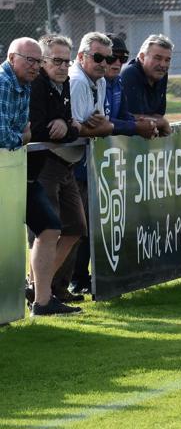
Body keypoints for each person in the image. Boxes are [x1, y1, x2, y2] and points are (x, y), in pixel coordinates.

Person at [2, 37, 78, 316]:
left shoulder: (27, 84)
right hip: (7, 175)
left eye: (37, 61)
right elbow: (8, 134)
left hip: (23, 174)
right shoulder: (4, 83)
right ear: (12, 59)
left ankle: (42, 301)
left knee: (50, 228)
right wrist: (26, 136)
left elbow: (64, 125)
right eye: (30, 60)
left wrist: (55, 127)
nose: (35, 66)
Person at [26, 35, 86, 313]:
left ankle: (37, 287)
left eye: (67, 61)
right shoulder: (36, 86)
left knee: (75, 229)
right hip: (44, 165)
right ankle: (41, 296)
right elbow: (39, 130)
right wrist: (64, 125)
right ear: (43, 62)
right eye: (57, 61)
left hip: (65, 164)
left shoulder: (63, 84)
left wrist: (64, 123)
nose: (63, 67)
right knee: (47, 230)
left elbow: (71, 127)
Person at [63, 32, 116, 295]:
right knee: (68, 230)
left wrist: (95, 127)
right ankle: (56, 286)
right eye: (97, 57)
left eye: (108, 58)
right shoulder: (77, 82)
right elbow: (78, 128)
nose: (104, 63)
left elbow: (98, 122)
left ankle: (65, 286)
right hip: (63, 165)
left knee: (80, 228)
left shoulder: (99, 81)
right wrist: (96, 128)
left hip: (81, 163)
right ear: (82, 57)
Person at [105, 34, 160, 140]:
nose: (117, 63)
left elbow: (123, 115)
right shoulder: (94, 82)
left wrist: (145, 124)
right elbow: (100, 122)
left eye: (122, 58)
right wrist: (135, 127)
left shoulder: (118, 81)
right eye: (112, 57)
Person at [120, 34, 173, 135]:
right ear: (142, 57)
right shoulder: (130, 74)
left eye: (167, 60)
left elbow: (158, 115)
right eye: (158, 58)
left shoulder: (161, 74)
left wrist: (159, 121)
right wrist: (162, 123)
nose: (163, 65)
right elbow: (131, 118)